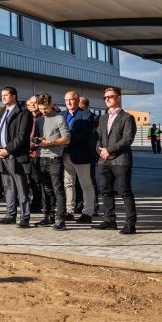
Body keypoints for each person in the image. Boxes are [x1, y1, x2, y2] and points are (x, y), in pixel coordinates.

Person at [95, 87, 138, 234]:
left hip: (121, 160)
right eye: (105, 97)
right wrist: (101, 152)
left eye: (110, 96)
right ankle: (109, 221)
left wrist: (109, 150)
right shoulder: (102, 118)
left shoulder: (127, 117)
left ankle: (130, 224)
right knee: (105, 191)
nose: (107, 99)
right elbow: (97, 138)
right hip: (103, 160)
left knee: (125, 191)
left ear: (118, 98)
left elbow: (127, 139)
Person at [0, 86, 34, 228]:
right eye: (2, 95)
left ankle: (25, 217)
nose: (3, 98)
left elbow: (22, 136)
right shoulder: (2, 112)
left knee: (21, 187)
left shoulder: (24, 112)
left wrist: (7, 150)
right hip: (1, 155)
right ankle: (10, 215)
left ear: (14, 96)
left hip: (16, 155)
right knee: (8, 187)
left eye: (6, 95)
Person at [32, 94, 70, 229]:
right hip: (41, 158)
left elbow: (67, 139)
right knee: (45, 189)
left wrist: (50, 142)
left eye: (45, 108)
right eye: (41, 109)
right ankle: (48, 216)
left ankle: (61, 219)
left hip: (55, 158)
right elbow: (35, 139)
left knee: (58, 189)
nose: (43, 111)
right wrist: (37, 140)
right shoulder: (39, 121)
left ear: (51, 104)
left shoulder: (59, 118)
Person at [62, 91, 97, 224]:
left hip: (81, 155)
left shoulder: (87, 116)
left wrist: (66, 140)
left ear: (77, 101)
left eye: (71, 99)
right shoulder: (61, 115)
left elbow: (85, 135)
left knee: (85, 184)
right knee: (68, 184)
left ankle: (87, 213)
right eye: (66, 100)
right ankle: (69, 212)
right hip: (65, 155)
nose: (69, 102)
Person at [25, 95, 45, 216]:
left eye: (35, 102)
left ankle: (40, 204)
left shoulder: (43, 117)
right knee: (31, 180)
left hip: (39, 153)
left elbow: (42, 137)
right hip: (27, 153)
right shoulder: (27, 117)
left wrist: (29, 146)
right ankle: (35, 203)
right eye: (30, 103)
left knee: (40, 181)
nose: (32, 105)